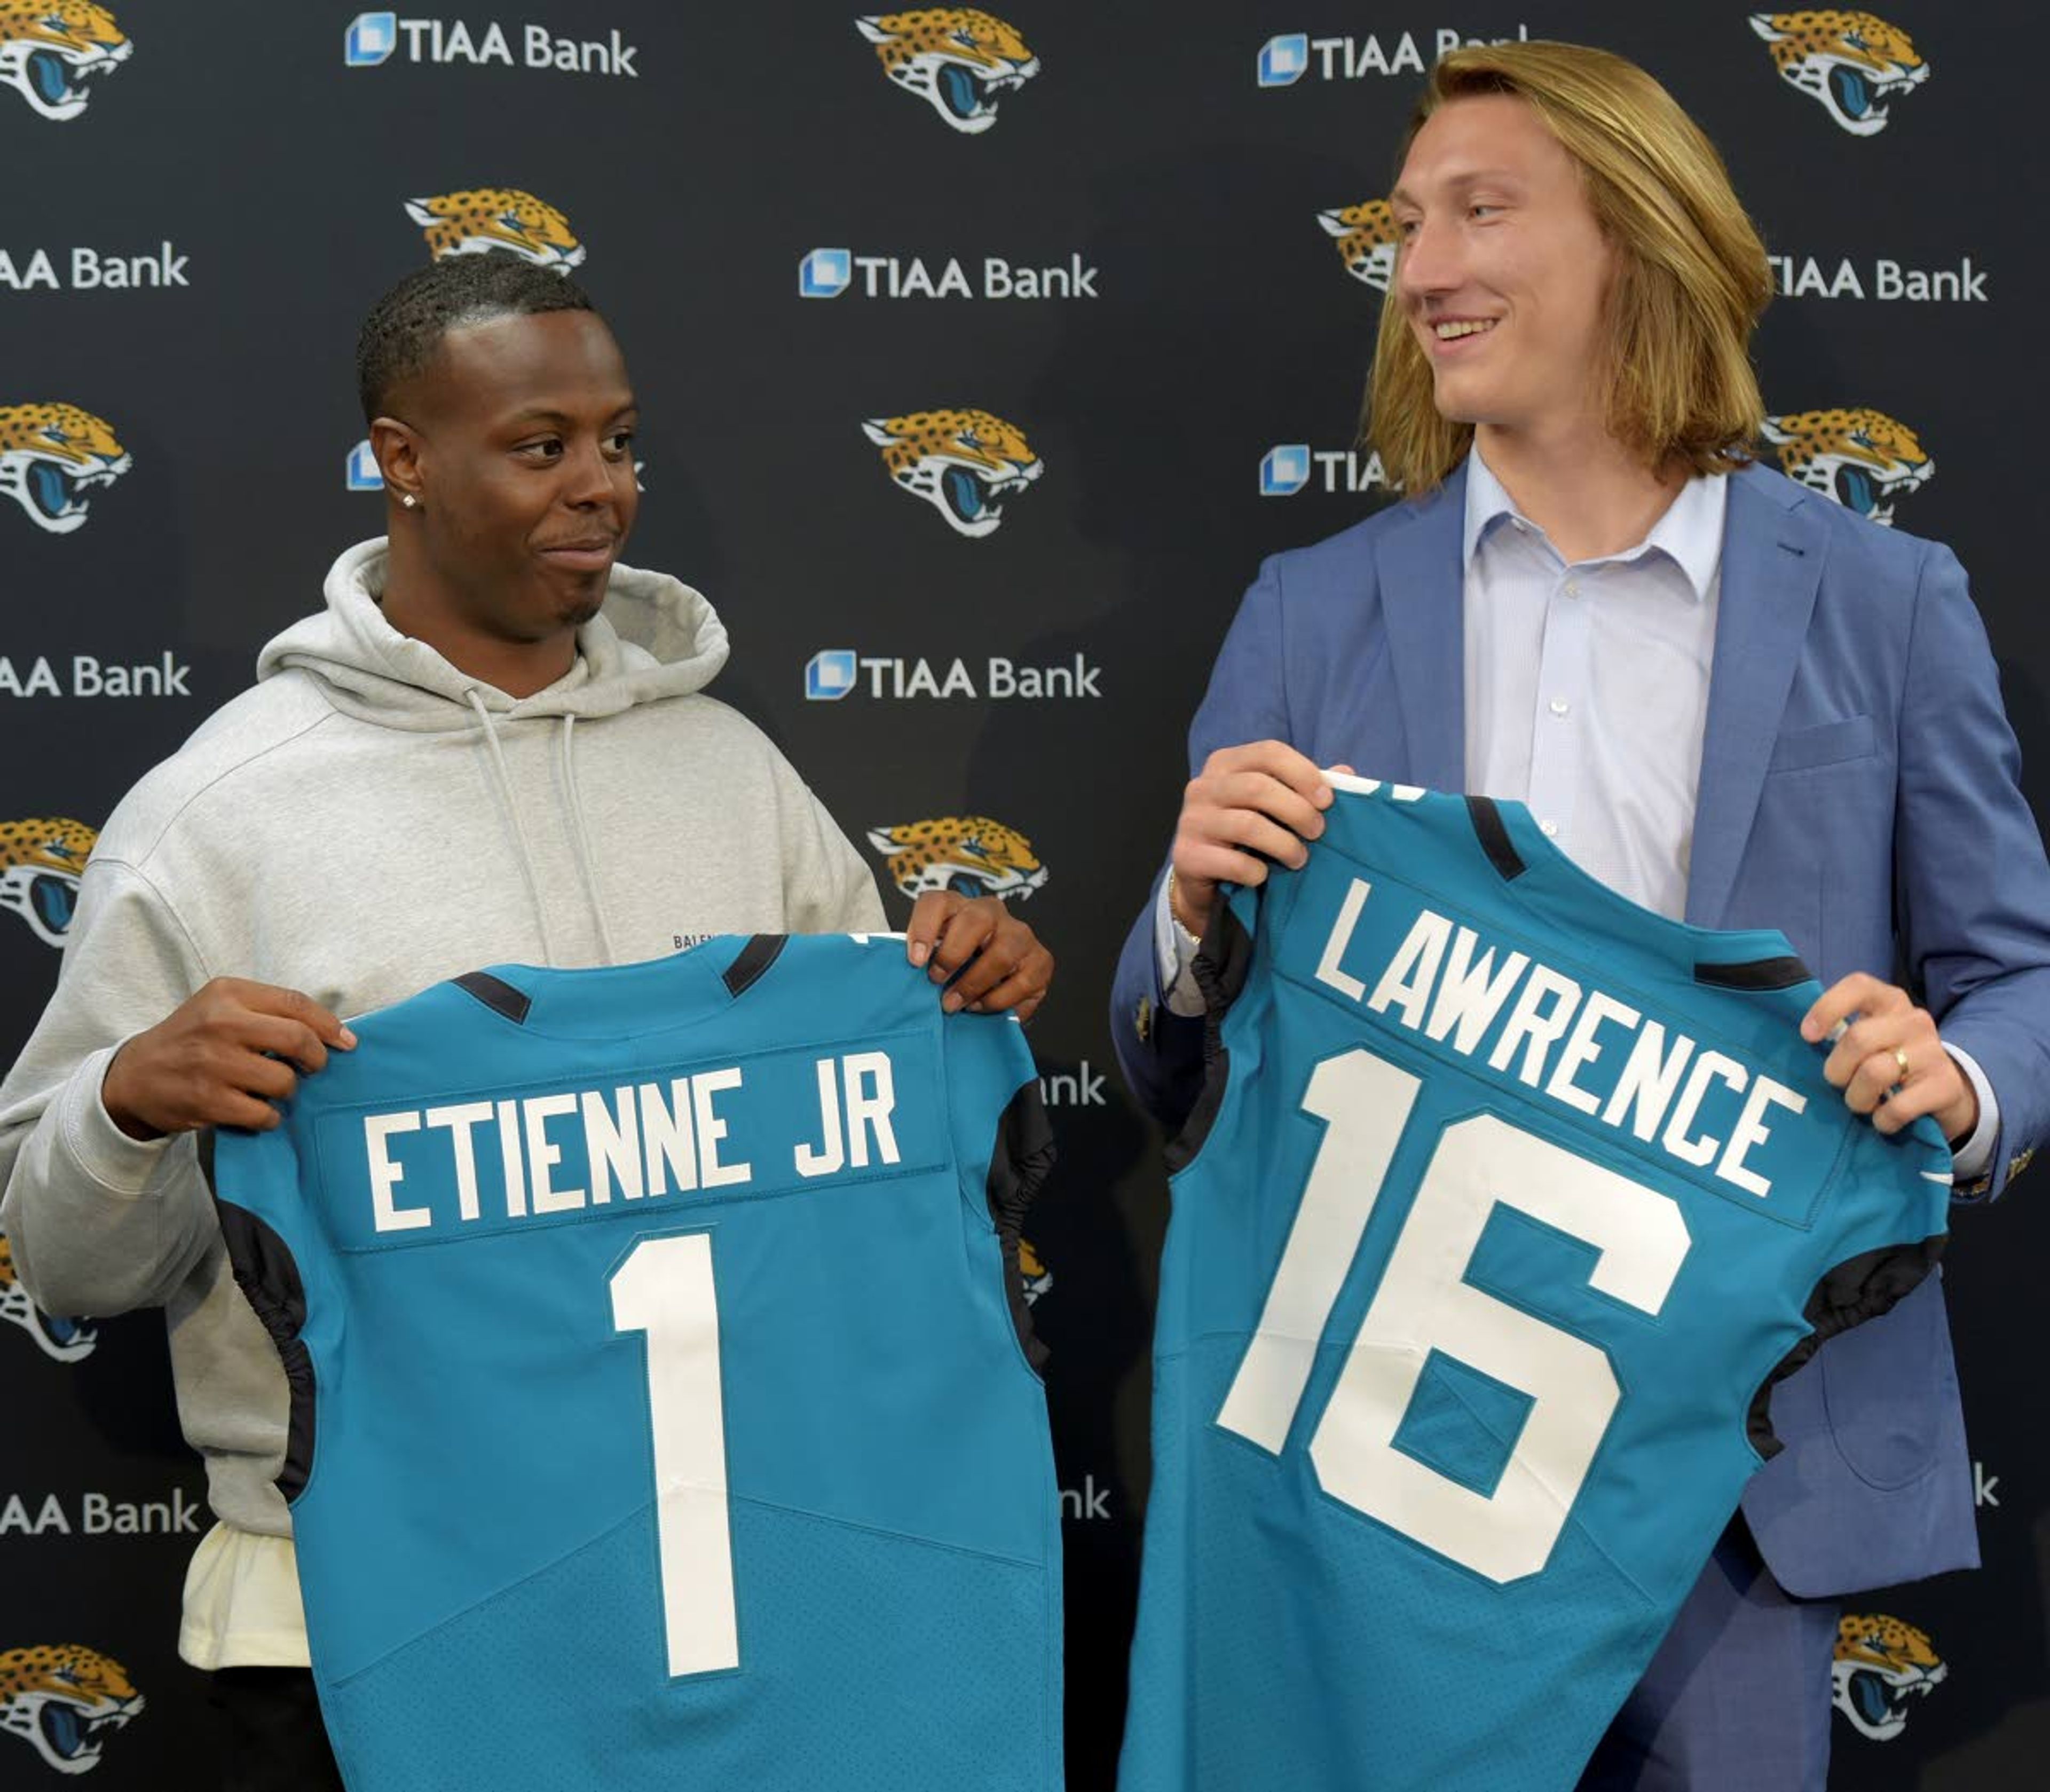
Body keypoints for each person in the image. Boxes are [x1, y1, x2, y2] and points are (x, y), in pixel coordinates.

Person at [1110, 39, 2050, 1791]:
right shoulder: (1310, 615)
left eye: (1483, 212)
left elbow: (2017, 978)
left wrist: (1963, 1086)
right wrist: (1183, 924)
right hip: (1376, 1462)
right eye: (1409, 225)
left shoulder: (1884, 599)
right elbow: (1179, 1075)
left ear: (1641, 234)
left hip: (1734, 1470)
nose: (1423, 271)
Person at [0, 253, 1053, 1791]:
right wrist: (128, 1106)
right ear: (402, 461)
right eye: (541, 445)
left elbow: (871, 1177)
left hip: (740, 1587)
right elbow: (67, 1265)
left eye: (618, 442)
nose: (602, 490)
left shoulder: (732, 771)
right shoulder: (215, 822)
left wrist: (950, 981)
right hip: (370, 1606)